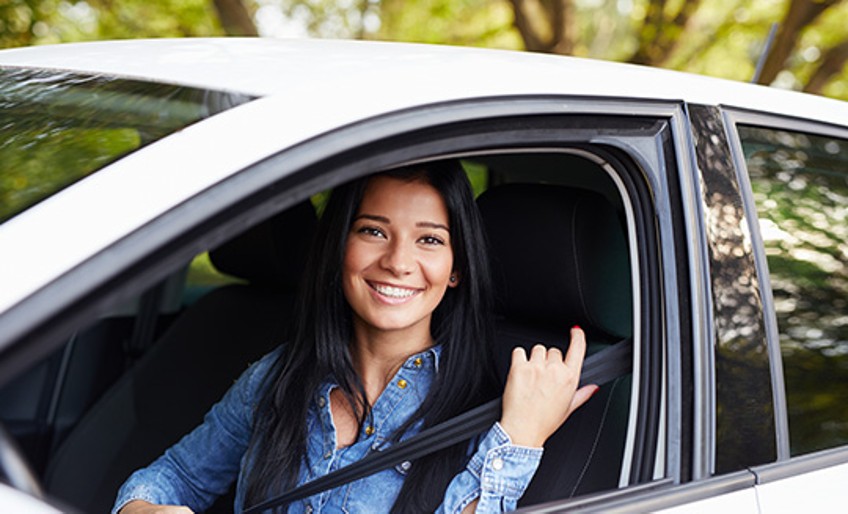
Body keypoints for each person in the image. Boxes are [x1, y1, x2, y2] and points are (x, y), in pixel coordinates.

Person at [113, 160, 598, 514]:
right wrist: (145, 509)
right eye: (373, 231)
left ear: (456, 269)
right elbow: (174, 475)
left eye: (429, 239)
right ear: (339, 248)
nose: (398, 262)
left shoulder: (489, 407)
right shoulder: (275, 378)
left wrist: (521, 438)